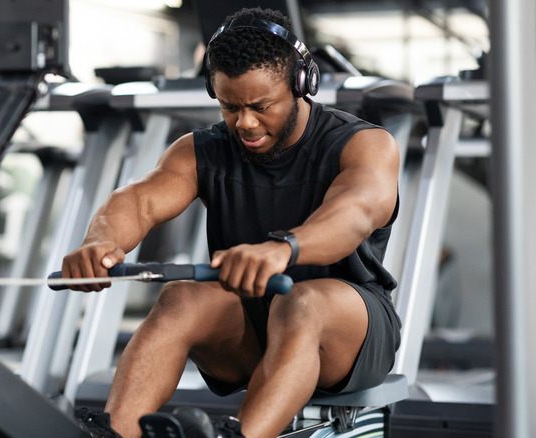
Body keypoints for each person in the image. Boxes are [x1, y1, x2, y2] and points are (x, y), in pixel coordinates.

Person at [63, 7, 401, 438]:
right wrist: (100, 243)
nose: (245, 122)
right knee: (180, 299)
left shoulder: (365, 145)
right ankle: (117, 432)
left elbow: (353, 214)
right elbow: (139, 200)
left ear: (301, 86)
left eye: (261, 106)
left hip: (348, 329)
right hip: (255, 324)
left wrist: (283, 249)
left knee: (302, 302)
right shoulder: (200, 150)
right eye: (229, 106)